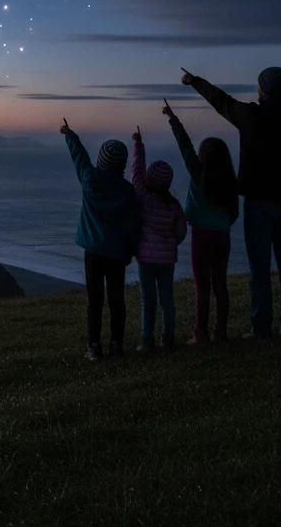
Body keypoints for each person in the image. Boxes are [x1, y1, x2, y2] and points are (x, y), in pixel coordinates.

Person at [180, 66, 281, 339]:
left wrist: (194, 80)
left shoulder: (249, 115)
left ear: (262, 89)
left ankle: (261, 328)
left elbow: (220, 101)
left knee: (260, 269)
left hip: (258, 204)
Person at [60, 118, 141, 361]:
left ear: (101, 161)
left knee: (94, 299)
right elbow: (132, 226)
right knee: (117, 298)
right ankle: (116, 345)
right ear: (121, 165)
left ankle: (94, 346)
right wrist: (130, 251)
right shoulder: (127, 192)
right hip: (116, 252)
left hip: (93, 250)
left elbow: (80, 157)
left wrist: (69, 134)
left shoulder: (90, 180)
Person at [161, 98, 239, 344]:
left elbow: (185, 145)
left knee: (202, 286)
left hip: (201, 237)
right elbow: (234, 212)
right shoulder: (229, 180)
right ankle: (221, 331)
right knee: (220, 285)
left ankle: (201, 333)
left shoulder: (198, 172)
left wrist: (173, 119)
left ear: (203, 156)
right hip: (222, 236)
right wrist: (223, 225)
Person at [130, 126, 187, 351]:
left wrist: (138, 144)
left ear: (149, 180)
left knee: (148, 299)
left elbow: (136, 172)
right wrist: (171, 243)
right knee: (167, 299)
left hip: (145, 257)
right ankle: (168, 338)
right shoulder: (174, 205)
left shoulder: (143, 198)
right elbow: (181, 231)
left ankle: (147, 340)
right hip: (167, 259)